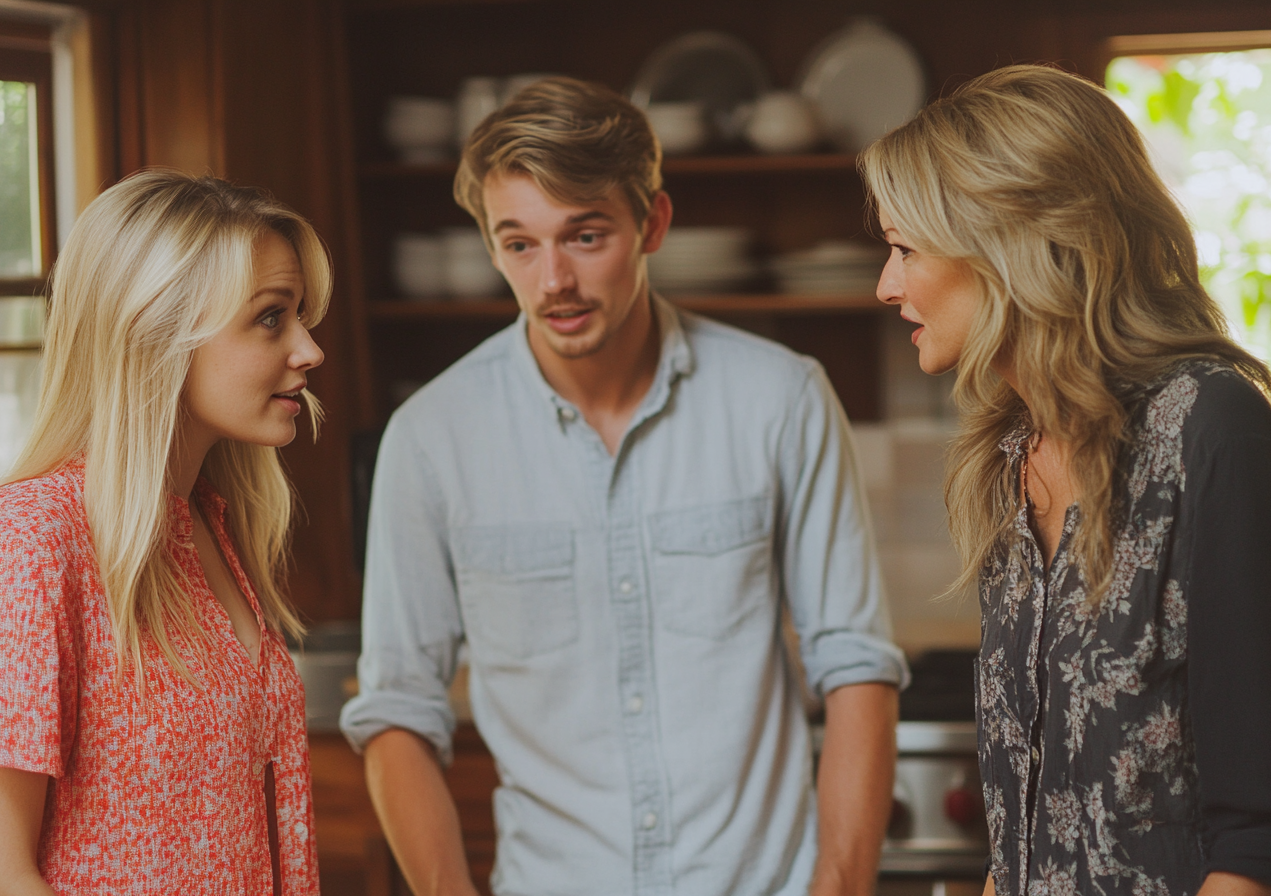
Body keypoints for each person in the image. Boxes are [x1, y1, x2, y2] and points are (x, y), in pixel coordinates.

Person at [340, 76, 908, 896]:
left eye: (584, 236)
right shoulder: (432, 439)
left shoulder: (780, 399)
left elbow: (856, 666)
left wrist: (838, 888)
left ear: (653, 223)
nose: (553, 281)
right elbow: (398, 706)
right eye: (520, 244)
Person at [861, 64, 1271, 896]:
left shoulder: (1208, 428)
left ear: (1009, 247)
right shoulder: (1008, 455)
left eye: (905, 249)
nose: (886, 284)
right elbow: (1020, 827)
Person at [0, 170, 330, 895]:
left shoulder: (208, 521)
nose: (309, 350)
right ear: (156, 333)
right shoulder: (30, 540)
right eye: (272, 317)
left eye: (300, 314)